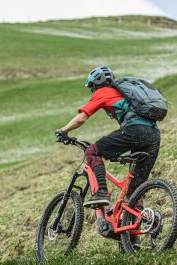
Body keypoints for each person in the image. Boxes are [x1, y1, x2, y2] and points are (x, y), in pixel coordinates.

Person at [55, 66, 160, 208]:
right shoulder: (124, 94)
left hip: (135, 131)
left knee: (92, 151)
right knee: (133, 190)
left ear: (95, 85)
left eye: (91, 87)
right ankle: (138, 222)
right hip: (153, 135)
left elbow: (81, 118)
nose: (92, 91)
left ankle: (101, 192)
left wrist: (63, 130)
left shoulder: (103, 92)